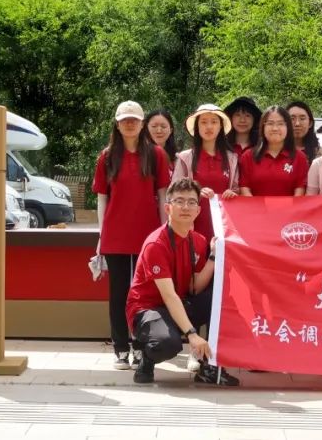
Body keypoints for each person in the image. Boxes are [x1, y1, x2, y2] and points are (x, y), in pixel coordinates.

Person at [126, 177, 240, 386]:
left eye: (191, 202)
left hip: (177, 305)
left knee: (219, 299)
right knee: (168, 344)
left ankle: (210, 368)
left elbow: (195, 287)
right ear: (168, 208)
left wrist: (213, 256)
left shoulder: (198, 241)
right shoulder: (156, 244)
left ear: (198, 210)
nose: (185, 207)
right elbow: (169, 296)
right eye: (179, 201)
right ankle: (147, 358)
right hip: (148, 309)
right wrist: (192, 334)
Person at [92, 101, 171, 370]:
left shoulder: (156, 154)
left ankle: (140, 346)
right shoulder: (107, 156)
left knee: (143, 294)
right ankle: (120, 348)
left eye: (134, 120)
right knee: (118, 293)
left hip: (148, 234)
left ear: (141, 124)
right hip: (115, 235)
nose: (129, 124)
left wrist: (164, 232)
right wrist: (102, 234)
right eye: (125, 120)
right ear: (117, 124)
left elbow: (162, 195)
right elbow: (102, 198)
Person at [174, 104, 239, 242]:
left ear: (220, 126)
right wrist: (195, 191)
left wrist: (233, 193)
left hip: (225, 227)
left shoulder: (232, 158)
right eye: (203, 122)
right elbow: (174, 191)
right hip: (193, 225)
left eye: (214, 122)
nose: (209, 127)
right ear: (197, 126)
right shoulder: (185, 158)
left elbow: (237, 189)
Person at [240, 105, 309, 197]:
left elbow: (300, 189)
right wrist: (255, 206)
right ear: (263, 127)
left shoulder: (300, 157)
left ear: (288, 127)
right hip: (255, 206)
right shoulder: (248, 156)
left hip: (290, 206)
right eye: (270, 123)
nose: (275, 128)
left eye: (280, 124)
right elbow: (244, 187)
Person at [144, 109, 179, 174]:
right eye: (154, 126)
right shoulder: (139, 156)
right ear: (146, 129)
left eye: (163, 126)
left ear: (171, 130)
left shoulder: (178, 159)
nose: (159, 131)